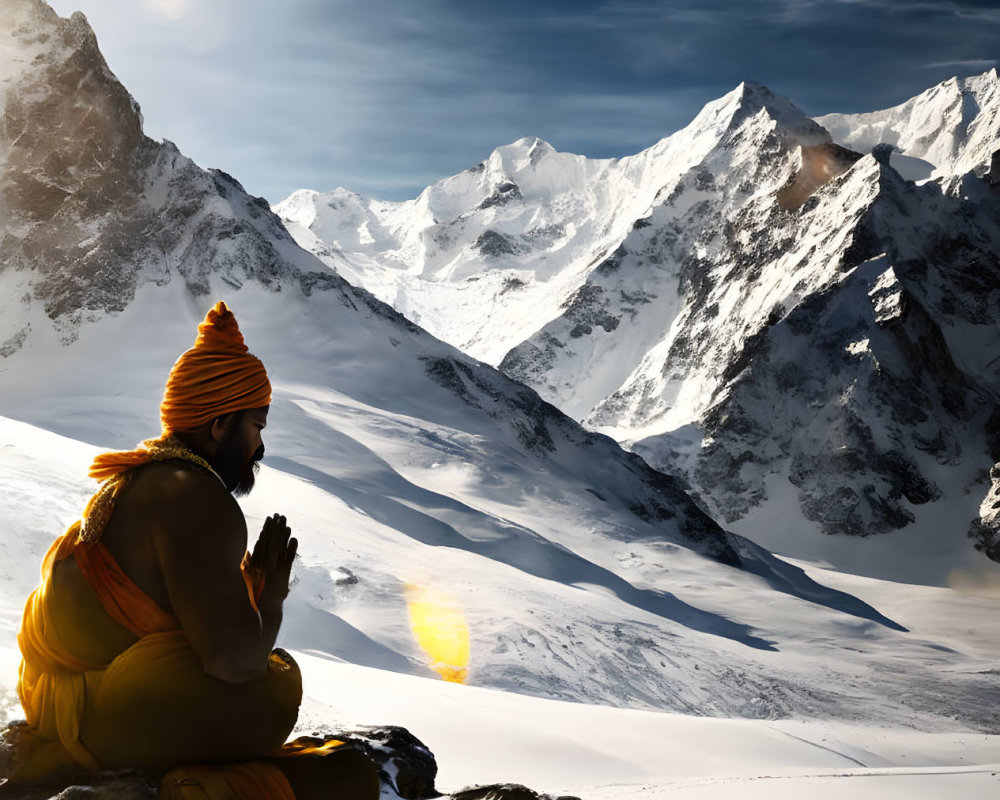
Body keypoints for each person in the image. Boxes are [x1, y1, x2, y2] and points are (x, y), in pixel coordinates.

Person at [7, 302, 379, 800]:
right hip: (110, 723)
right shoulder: (195, 496)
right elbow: (234, 663)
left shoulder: (132, 480)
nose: (261, 448)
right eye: (257, 427)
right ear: (221, 424)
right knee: (284, 691)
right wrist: (268, 600)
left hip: (51, 704)